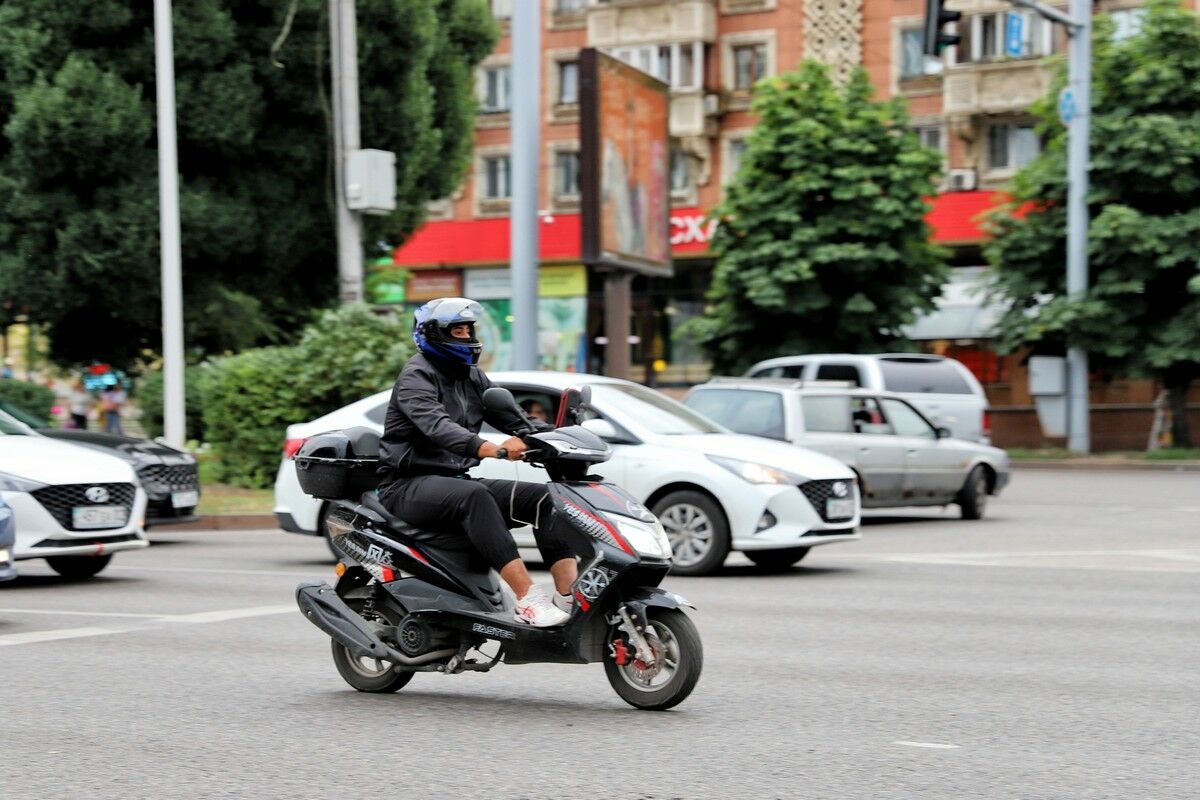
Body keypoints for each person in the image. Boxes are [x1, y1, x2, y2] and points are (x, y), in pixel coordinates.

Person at [377, 297, 578, 627]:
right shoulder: (416, 377)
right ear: (434, 334)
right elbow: (439, 428)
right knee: (476, 497)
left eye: (470, 330)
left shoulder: (472, 377)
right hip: (406, 485)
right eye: (458, 331)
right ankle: (527, 599)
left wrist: (556, 439)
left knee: (546, 500)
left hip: (452, 483)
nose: (468, 338)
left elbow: (517, 419)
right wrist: (495, 449)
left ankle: (568, 597)